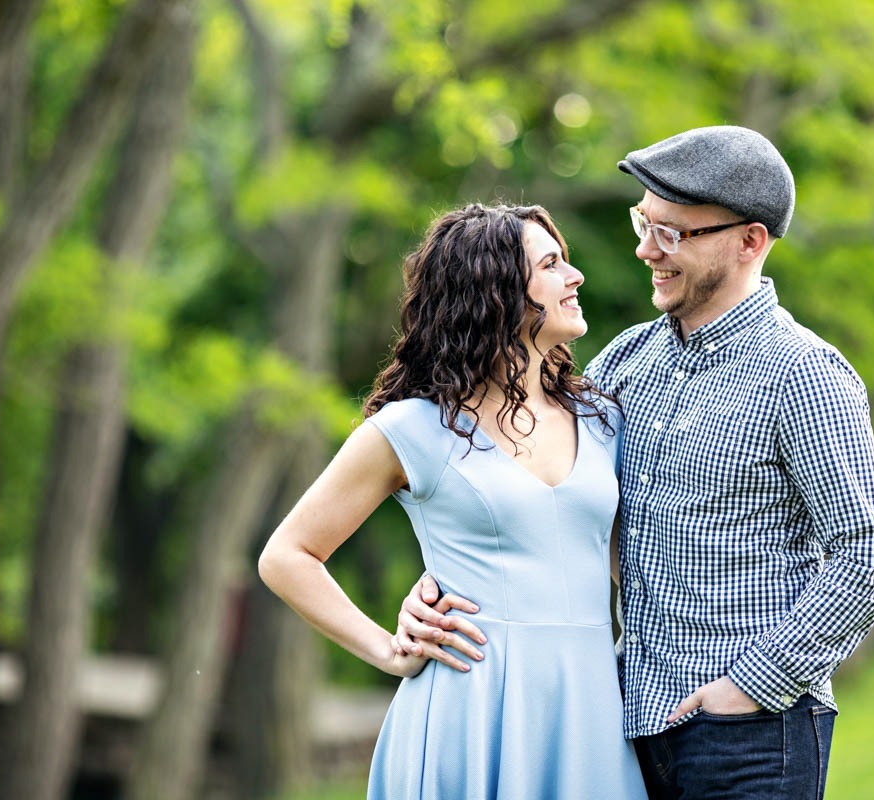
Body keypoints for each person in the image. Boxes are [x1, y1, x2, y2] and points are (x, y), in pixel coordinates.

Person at [393, 127, 874, 799]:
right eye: (645, 224)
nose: (644, 250)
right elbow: (552, 505)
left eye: (673, 234)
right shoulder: (626, 364)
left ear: (749, 241)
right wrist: (441, 591)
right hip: (630, 725)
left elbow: (869, 556)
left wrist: (751, 686)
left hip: (754, 735)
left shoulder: (805, 375)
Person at [258, 203, 647, 800]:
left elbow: (634, 561)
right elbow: (287, 555)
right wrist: (388, 650)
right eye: (551, 264)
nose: (576, 277)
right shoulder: (413, 429)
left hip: (591, 710)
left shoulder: (603, 419)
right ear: (496, 292)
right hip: (468, 712)